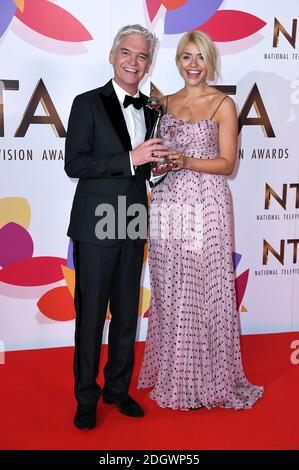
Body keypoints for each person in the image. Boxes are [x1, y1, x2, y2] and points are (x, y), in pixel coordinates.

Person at [138, 31, 264, 410]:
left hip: (207, 203)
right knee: (169, 284)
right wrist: (161, 162)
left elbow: (227, 164)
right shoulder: (163, 103)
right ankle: (174, 373)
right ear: (177, 61)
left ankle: (206, 380)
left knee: (201, 287)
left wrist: (186, 161)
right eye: (186, 57)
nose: (193, 65)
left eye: (200, 58)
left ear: (211, 62)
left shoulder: (223, 104)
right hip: (167, 202)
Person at [65, 24, 169, 429]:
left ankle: (117, 389)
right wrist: (130, 157)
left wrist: (156, 168)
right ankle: (86, 396)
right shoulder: (86, 103)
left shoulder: (152, 109)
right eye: (126, 52)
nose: (133, 61)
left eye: (142, 56)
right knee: (90, 314)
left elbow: (147, 171)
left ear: (148, 64)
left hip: (133, 220)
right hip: (95, 225)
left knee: (127, 313)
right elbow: (75, 163)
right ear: (112, 56)